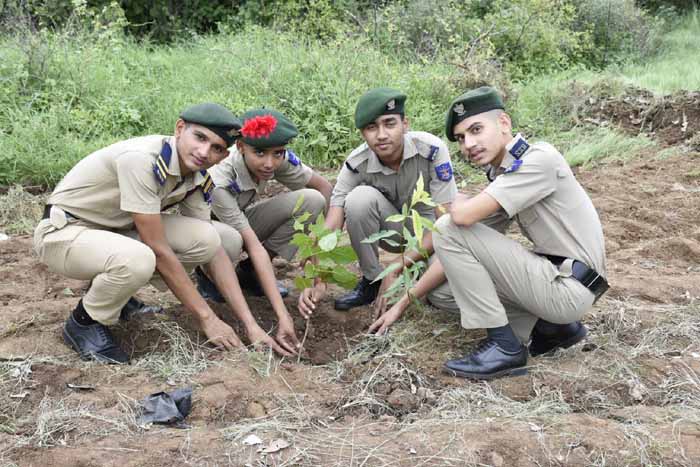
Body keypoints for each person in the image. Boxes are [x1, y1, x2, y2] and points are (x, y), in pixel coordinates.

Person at [370, 86, 608, 380]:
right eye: (460, 138)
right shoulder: (506, 174)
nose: (468, 144)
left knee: (447, 226)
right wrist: (406, 300)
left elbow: (458, 218)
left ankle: (506, 347)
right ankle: (551, 328)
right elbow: (459, 250)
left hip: (570, 289)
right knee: (442, 293)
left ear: (504, 123)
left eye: (476, 130)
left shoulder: (538, 159)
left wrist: (452, 198)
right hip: (558, 283)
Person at [34, 103, 299, 364]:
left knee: (213, 238)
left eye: (217, 148)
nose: (204, 151)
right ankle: (83, 323)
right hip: (66, 231)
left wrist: (251, 325)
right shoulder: (143, 160)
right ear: (180, 128)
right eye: (200, 137)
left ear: (224, 155)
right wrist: (208, 319)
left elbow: (214, 250)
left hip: (113, 231)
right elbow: (159, 250)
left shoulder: (196, 176)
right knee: (140, 259)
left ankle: (116, 294)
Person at [298, 87, 458, 317]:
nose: (381, 134)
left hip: (430, 233)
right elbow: (332, 223)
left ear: (405, 124)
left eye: (389, 123)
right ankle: (372, 281)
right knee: (358, 199)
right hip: (390, 231)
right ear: (363, 133)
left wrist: (395, 268)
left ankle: (412, 272)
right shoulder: (356, 162)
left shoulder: (431, 150)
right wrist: (317, 273)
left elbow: (445, 225)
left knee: (439, 293)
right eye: (372, 127)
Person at [198, 107, 332, 326]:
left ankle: (251, 272)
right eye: (259, 153)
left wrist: (316, 251)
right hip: (206, 228)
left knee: (312, 200)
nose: (270, 163)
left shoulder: (276, 157)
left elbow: (324, 189)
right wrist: (283, 316)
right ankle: (208, 276)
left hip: (239, 219)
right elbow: (252, 243)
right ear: (240, 147)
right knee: (231, 240)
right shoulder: (221, 178)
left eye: (277, 153)